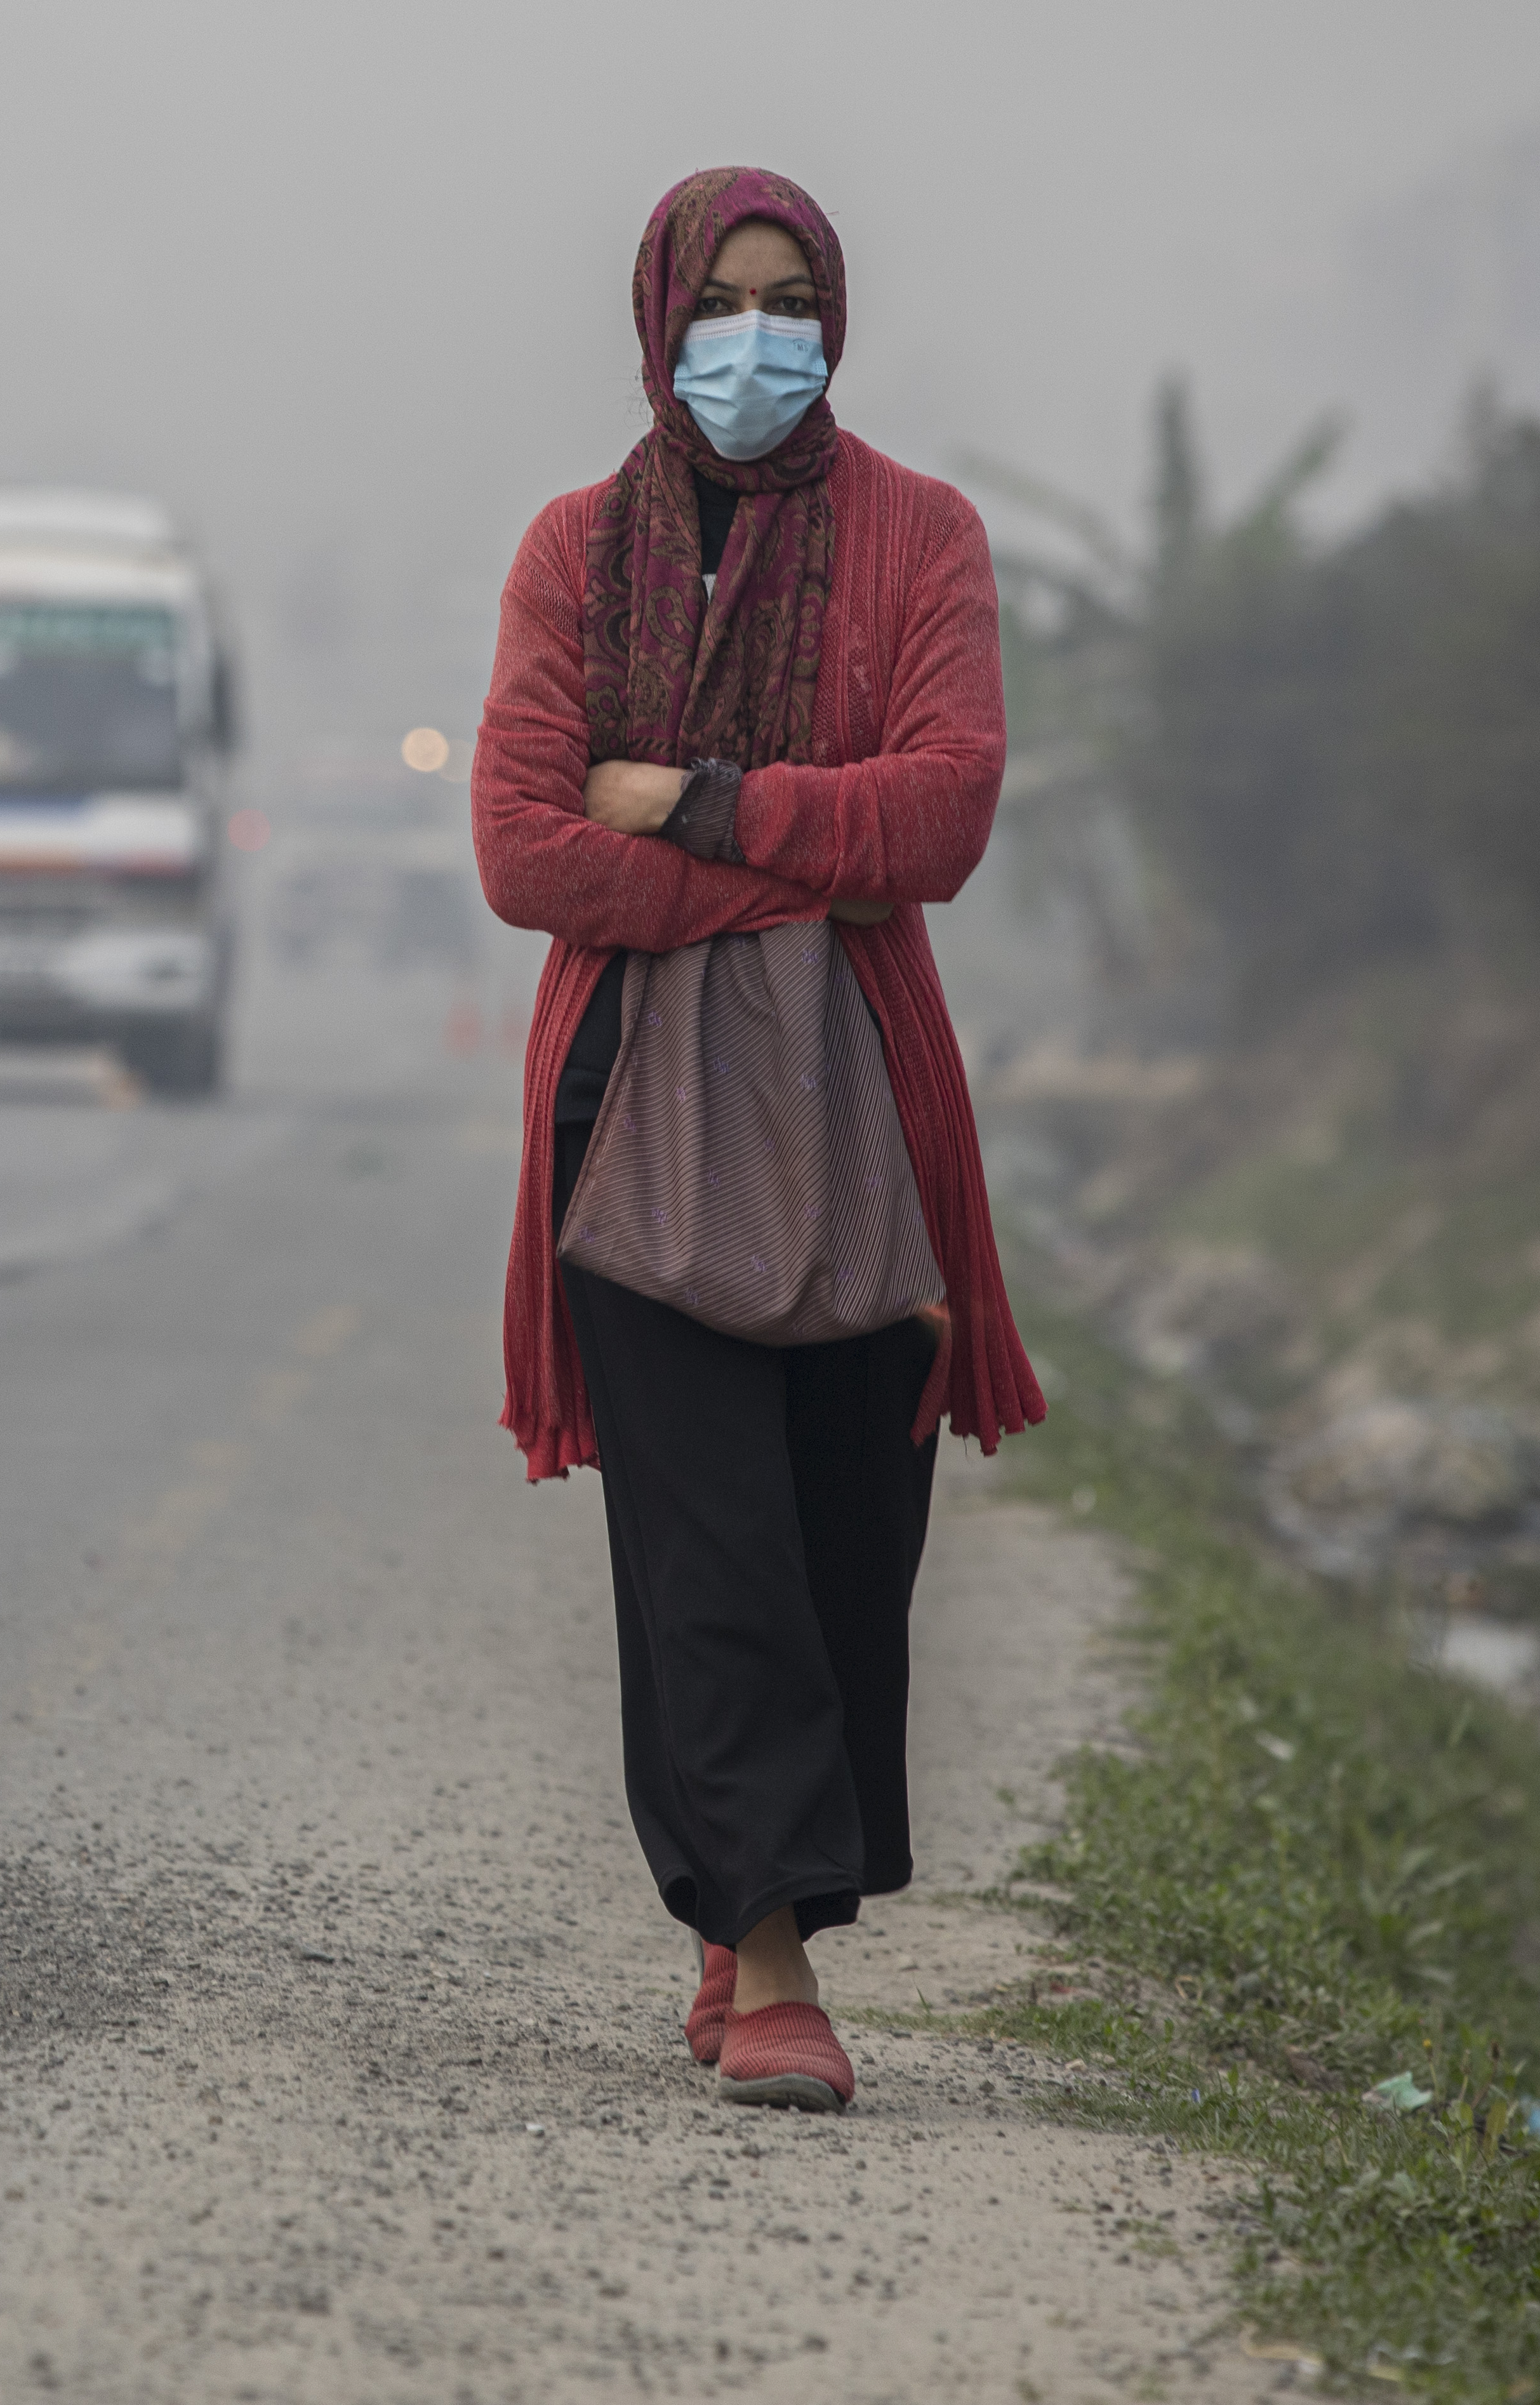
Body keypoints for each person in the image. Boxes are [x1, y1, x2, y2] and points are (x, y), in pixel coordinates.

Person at [469, 165, 1042, 2112]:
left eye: (789, 294)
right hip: (633, 1105)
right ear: (655, 318)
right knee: (707, 1538)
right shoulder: (569, 553)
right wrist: (796, 857)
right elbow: (521, 844)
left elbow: (941, 818)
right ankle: (773, 1957)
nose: (753, 334)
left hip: (860, 1108)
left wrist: (696, 802)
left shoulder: (923, 539)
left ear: (836, 314)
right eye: (718, 298)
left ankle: (747, 1900)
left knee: (841, 1541)